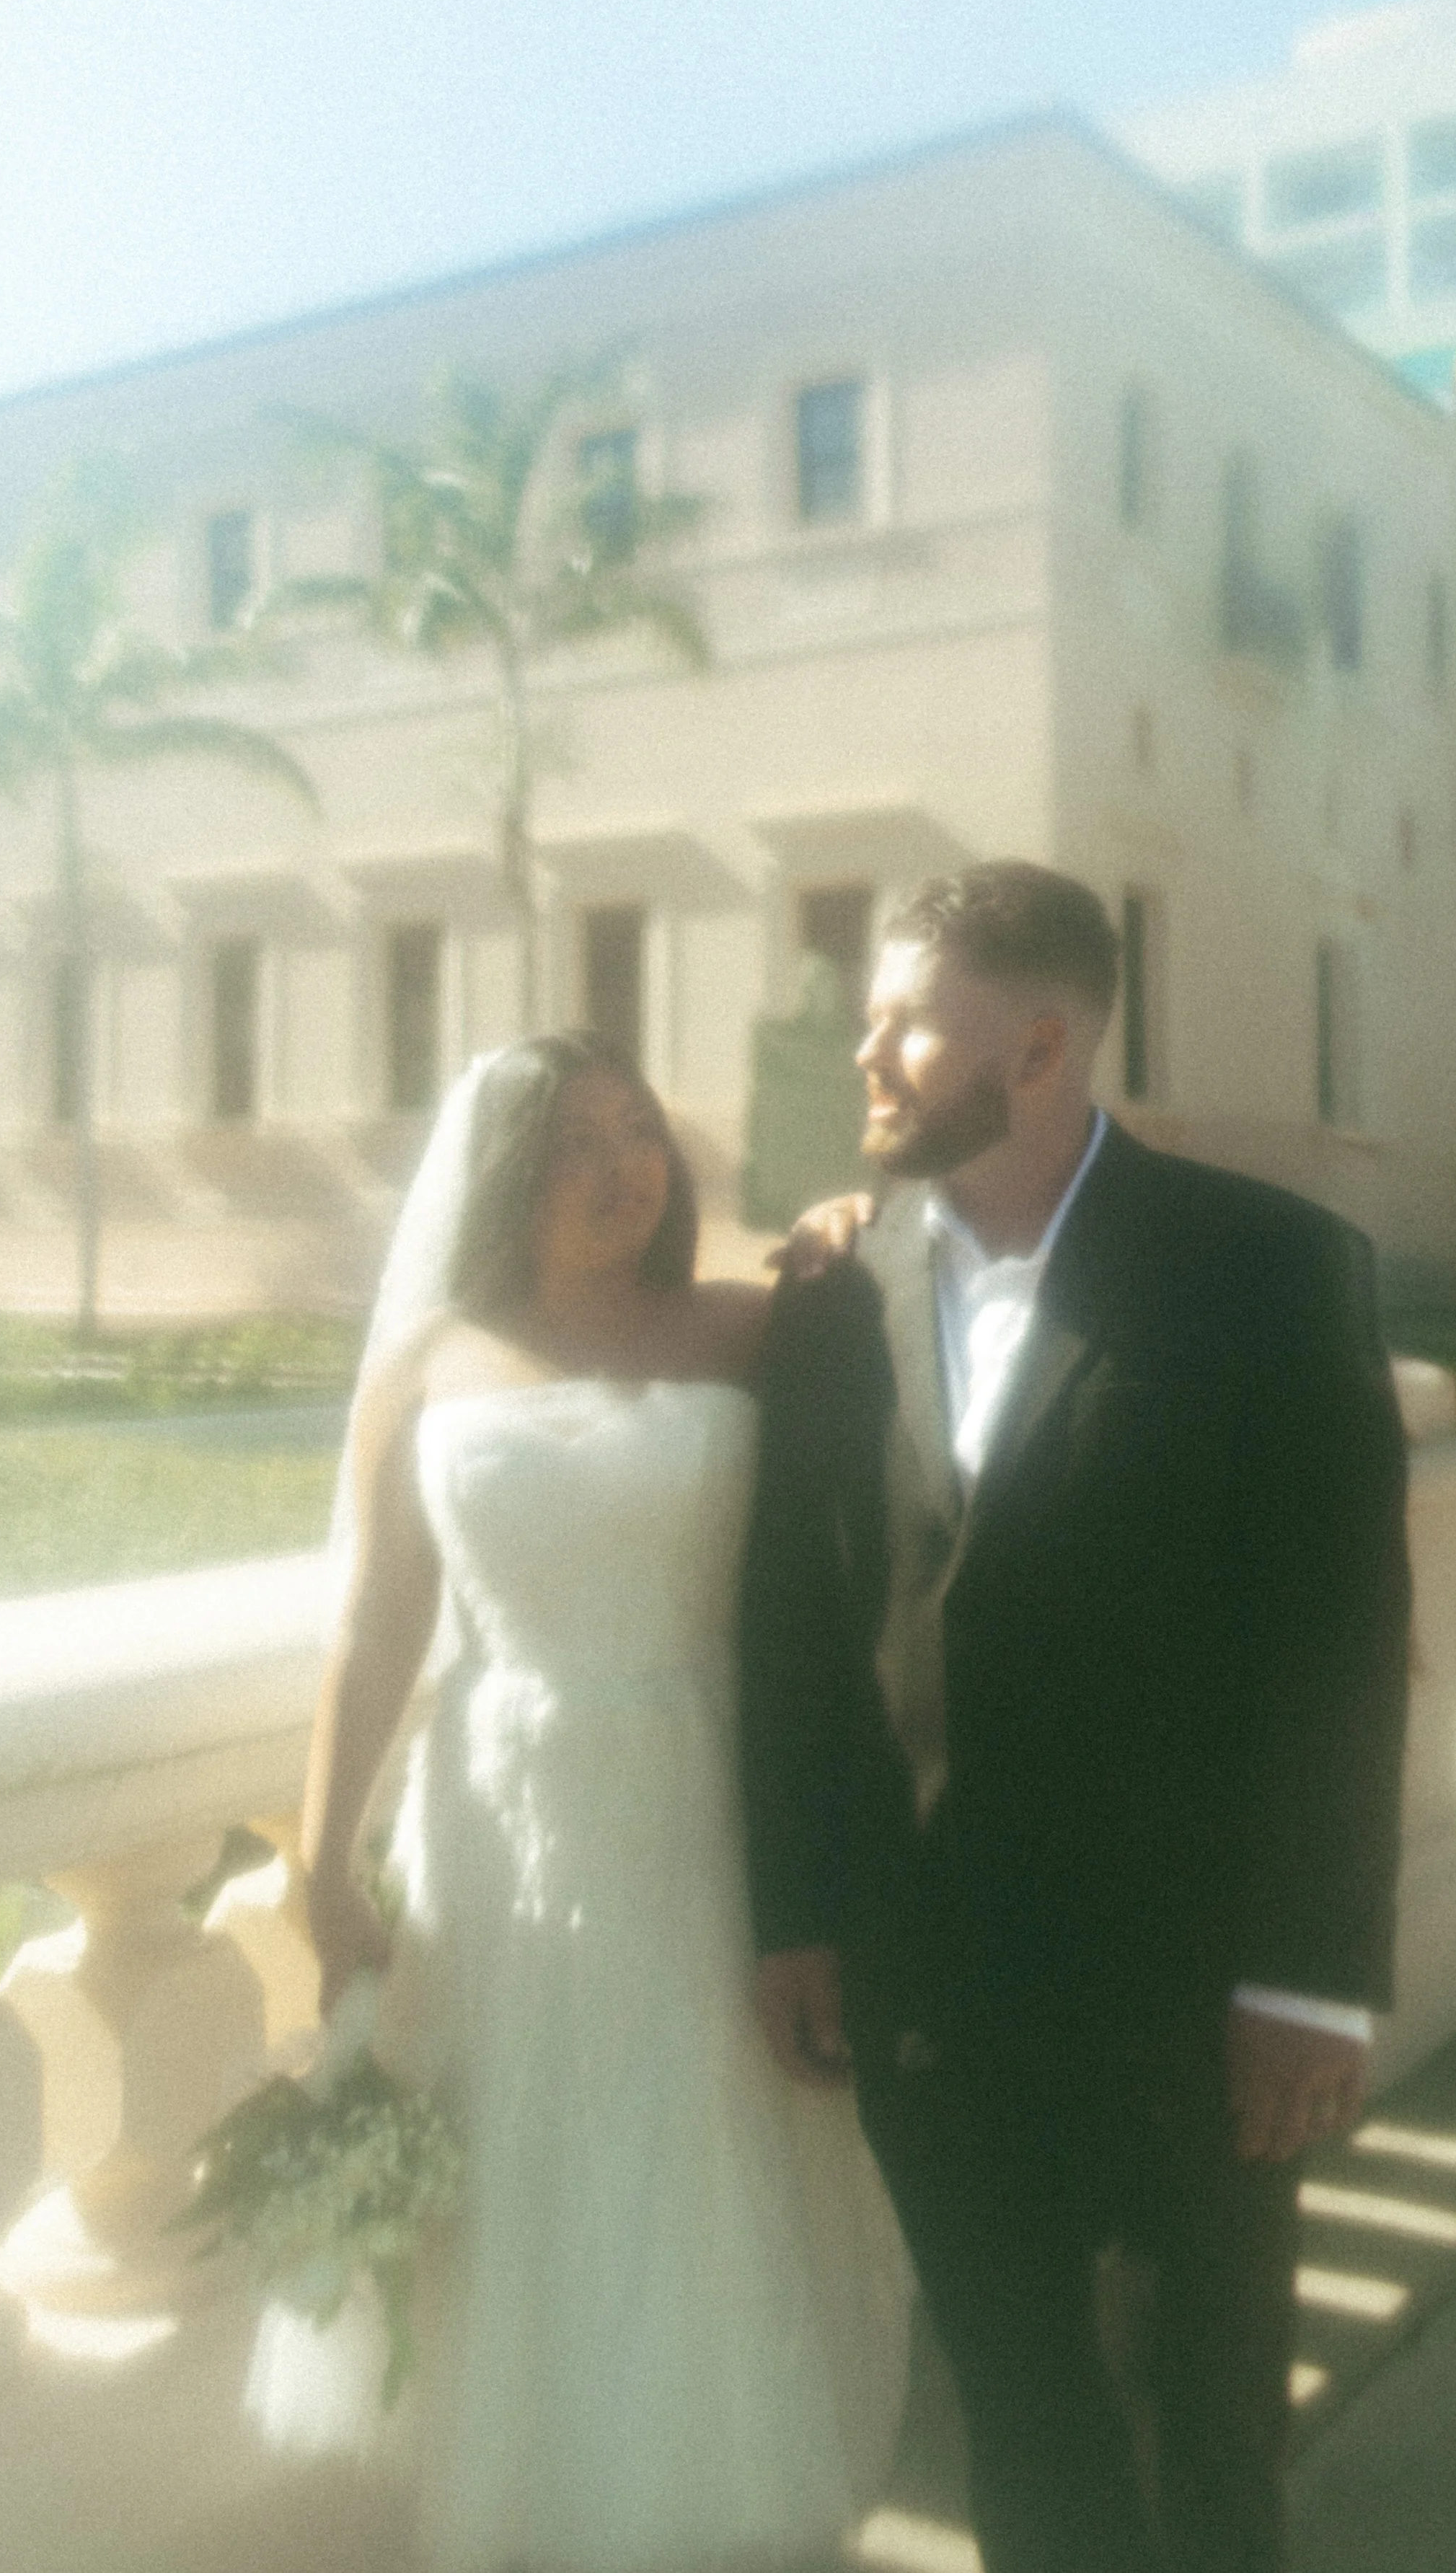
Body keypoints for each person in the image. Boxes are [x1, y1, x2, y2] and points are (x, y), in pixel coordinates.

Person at [739, 863, 1412, 2573]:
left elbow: (1337, 1644)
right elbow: (799, 1624)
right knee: (1023, 2435)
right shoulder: (833, 1289)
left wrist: (1304, 1979)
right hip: (930, 1991)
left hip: (1185, 1999)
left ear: (1036, 1046)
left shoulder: (1269, 1271)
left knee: (1202, 2442)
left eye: (901, 1021)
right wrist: (801, 1914)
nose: (864, 1054)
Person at [255, 1031, 912, 2571]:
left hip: (708, 1805)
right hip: (502, 1819)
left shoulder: (753, 1332)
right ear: (500, 1177)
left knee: (699, 2170)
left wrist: (843, 1230)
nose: (625, 1168)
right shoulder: (426, 1364)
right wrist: (322, 1855)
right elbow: (375, 1627)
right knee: (527, 2181)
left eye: (640, 1131)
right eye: (574, 1142)